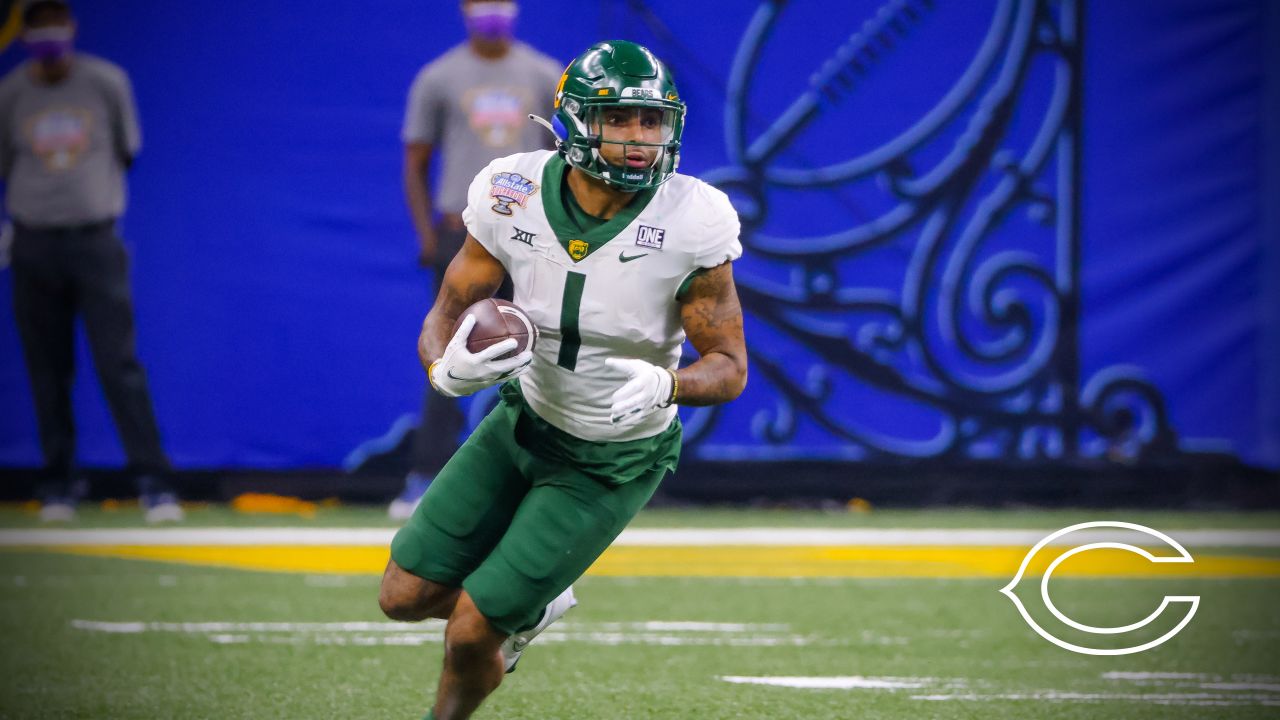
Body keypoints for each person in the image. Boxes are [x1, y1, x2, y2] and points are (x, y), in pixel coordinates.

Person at [378, 40, 747, 720]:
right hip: (522, 418)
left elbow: (729, 367)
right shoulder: (509, 189)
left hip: (613, 455)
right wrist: (443, 367)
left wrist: (669, 386)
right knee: (403, 596)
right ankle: (538, 599)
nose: (641, 140)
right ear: (576, 121)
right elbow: (451, 309)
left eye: (653, 121)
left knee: (471, 631)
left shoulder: (694, 217)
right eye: (621, 119)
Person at [0, 0, 182, 523]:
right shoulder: (11, 92)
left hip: (96, 241)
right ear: (25, 37)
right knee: (47, 368)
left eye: (58, 30)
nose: (51, 42)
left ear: (73, 30)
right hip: (33, 242)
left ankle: (155, 483)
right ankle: (58, 484)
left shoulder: (106, 82)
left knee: (118, 364)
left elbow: (126, 150)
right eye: (40, 33)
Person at [390, 0, 564, 521]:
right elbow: (416, 160)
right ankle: (425, 478)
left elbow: (562, 162)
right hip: (460, 233)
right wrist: (427, 232)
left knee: (541, 357)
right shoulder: (439, 77)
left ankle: (539, 476)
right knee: (452, 351)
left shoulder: (543, 73)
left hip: (531, 236)